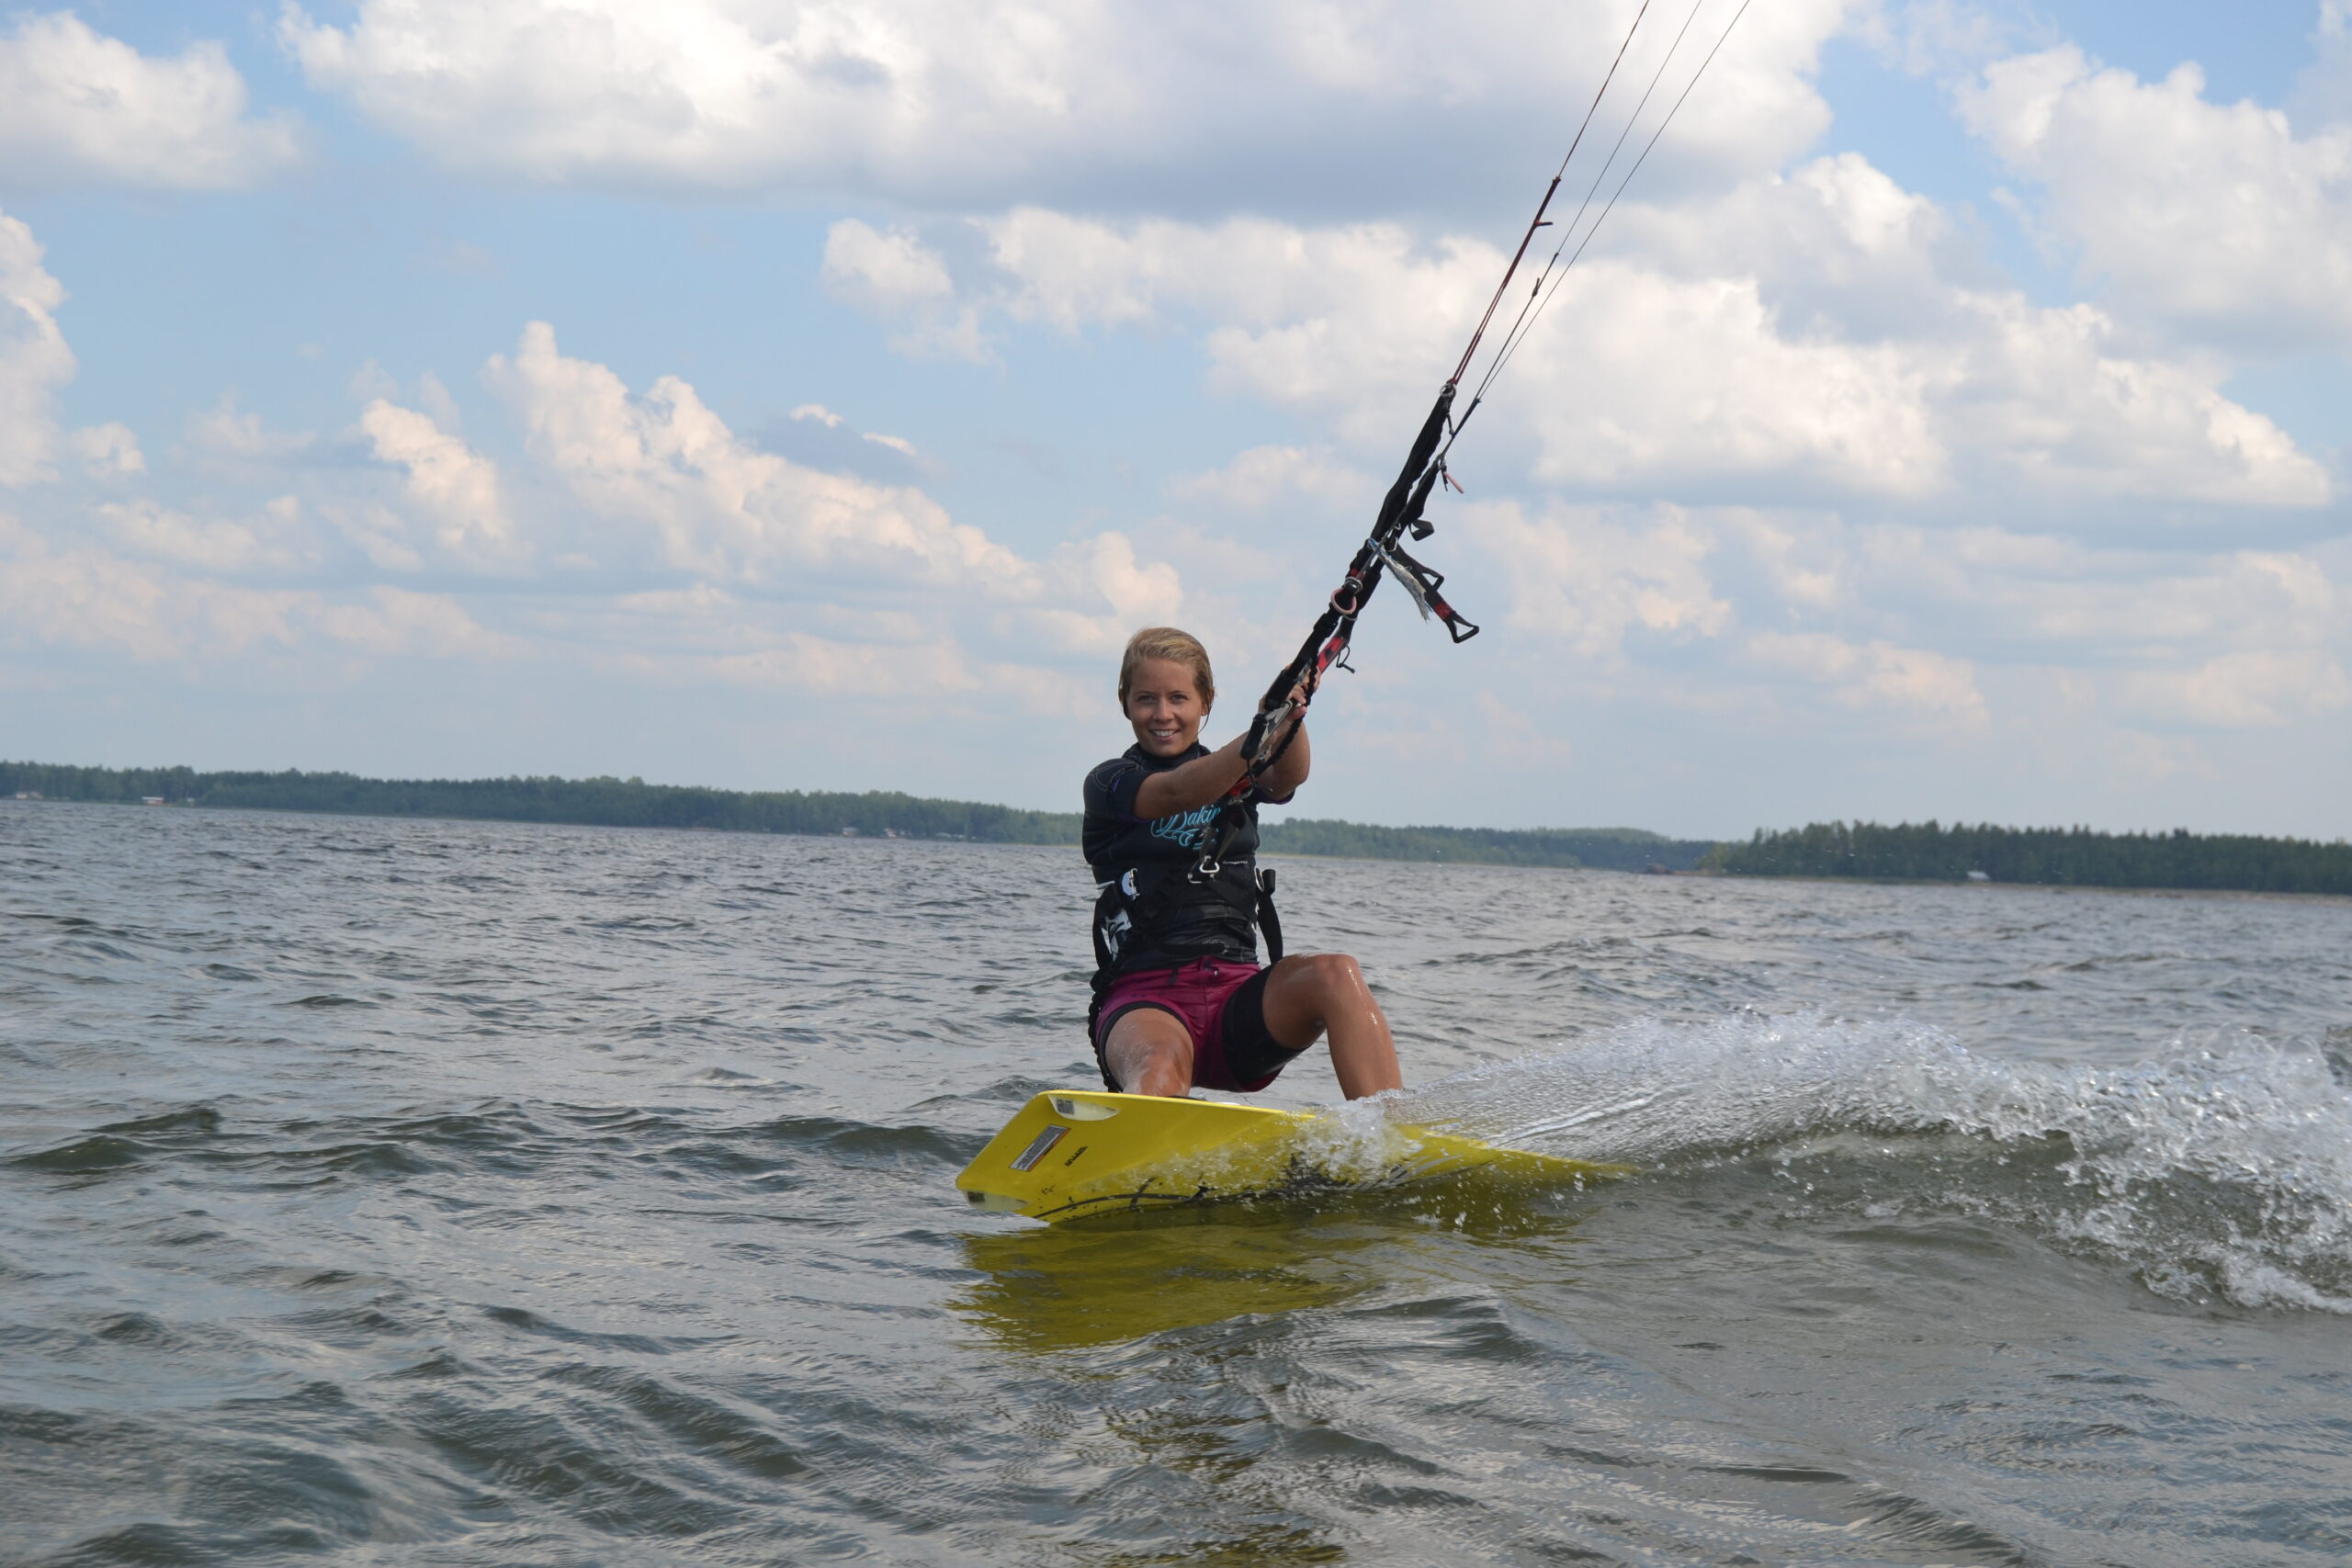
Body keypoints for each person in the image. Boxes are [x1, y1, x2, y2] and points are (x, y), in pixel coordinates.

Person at [1082, 626, 1404, 1101]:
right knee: (1158, 1067)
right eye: (1146, 699)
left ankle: (1393, 1136)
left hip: (1239, 1004)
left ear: (1206, 701)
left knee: (1336, 972)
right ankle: (1153, 1145)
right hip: (1146, 999)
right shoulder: (1110, 782)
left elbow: (1285, 777)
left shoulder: (1237, 772)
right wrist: (1261, 732)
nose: (1163, 714)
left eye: (1178, 697)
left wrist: (1287, 713)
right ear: (1124, 702)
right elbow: (1177, 791)